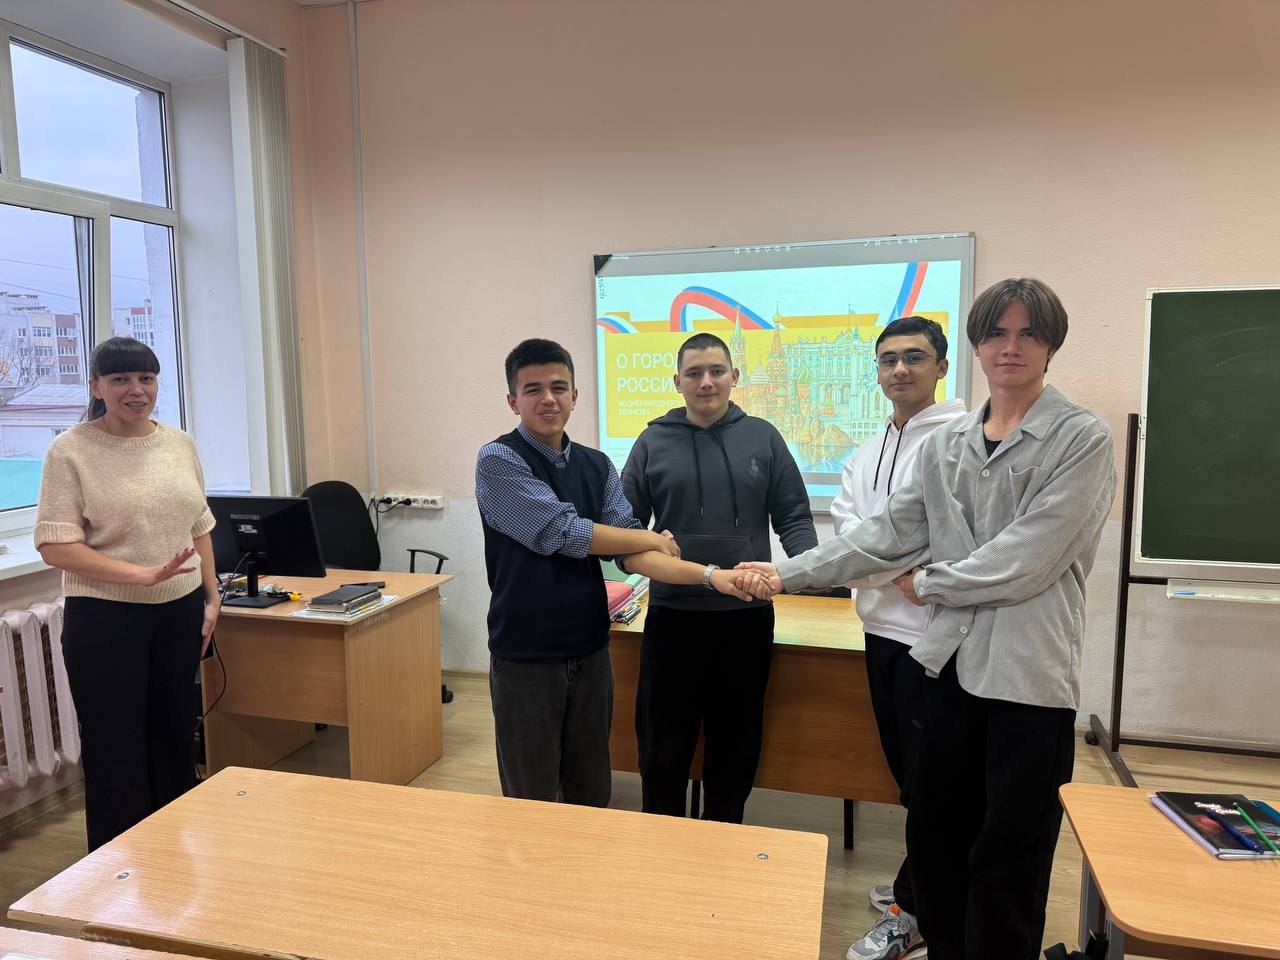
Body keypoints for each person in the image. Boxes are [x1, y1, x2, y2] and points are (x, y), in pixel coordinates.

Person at [736, 279, 1117, 960]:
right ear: (976, 345)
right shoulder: (949, 447)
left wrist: (931, 583)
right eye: (996, 333)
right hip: (945, 669)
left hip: (1027, 681)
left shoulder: (1080, 437)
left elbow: (1027, 559)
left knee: (1009, 855)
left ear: (1050, 344)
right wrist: (784, 574)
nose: (1010, 347)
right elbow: (884, 535)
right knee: (936, 840)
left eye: (1028, 333)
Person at [475, 338, 753, 809]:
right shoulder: (498, 460)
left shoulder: (596, 464)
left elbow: (629, 550)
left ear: (575, 395)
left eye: (559, 387)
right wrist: (649, 538)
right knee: (530, 799)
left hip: (590, 650)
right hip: (526, 656)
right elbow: (564, 532)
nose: (548, 399)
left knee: (590, 789)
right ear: (512, 401)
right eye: (533, 389)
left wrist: (711, 576)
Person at [619, 332, 817, 824]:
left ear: (734, 376)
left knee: (736, 742)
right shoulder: (651, 442)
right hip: (673, 616)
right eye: (694, 373)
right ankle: (662, 840)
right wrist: (646, 543)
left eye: (716, 371)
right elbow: (624, 529)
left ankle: (724, 838)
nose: (706, 382)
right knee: (662, 745)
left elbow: (793, 516)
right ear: (677, 382)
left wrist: (808, 572)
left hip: (746, 616)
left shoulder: (764, 437)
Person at [35, 336, 220, 852]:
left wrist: (212, 598)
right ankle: (117, 871)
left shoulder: (179, 443)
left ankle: (172, 861)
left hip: (180, 612)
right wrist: (138, 575)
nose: (137, 390)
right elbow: (55, 545)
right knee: (116, 749)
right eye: (121, 380)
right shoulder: (70, 451)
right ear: (96, 387)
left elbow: (200, 525)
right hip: (106, 618)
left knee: (174, 737)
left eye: (146, 378)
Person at [832, 316, 965, 960]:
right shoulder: (866, 449)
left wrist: (879, 557)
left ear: (942, 366)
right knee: (908, 776)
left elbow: (937, 536)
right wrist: (890, 565)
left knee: (933, 783)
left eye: (915, 357)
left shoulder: (961, 441)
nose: (900, 369)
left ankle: (919, 912)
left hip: (932, 639)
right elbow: (847, 527)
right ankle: (923, 883)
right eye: (888, 360)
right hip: (879, 630)